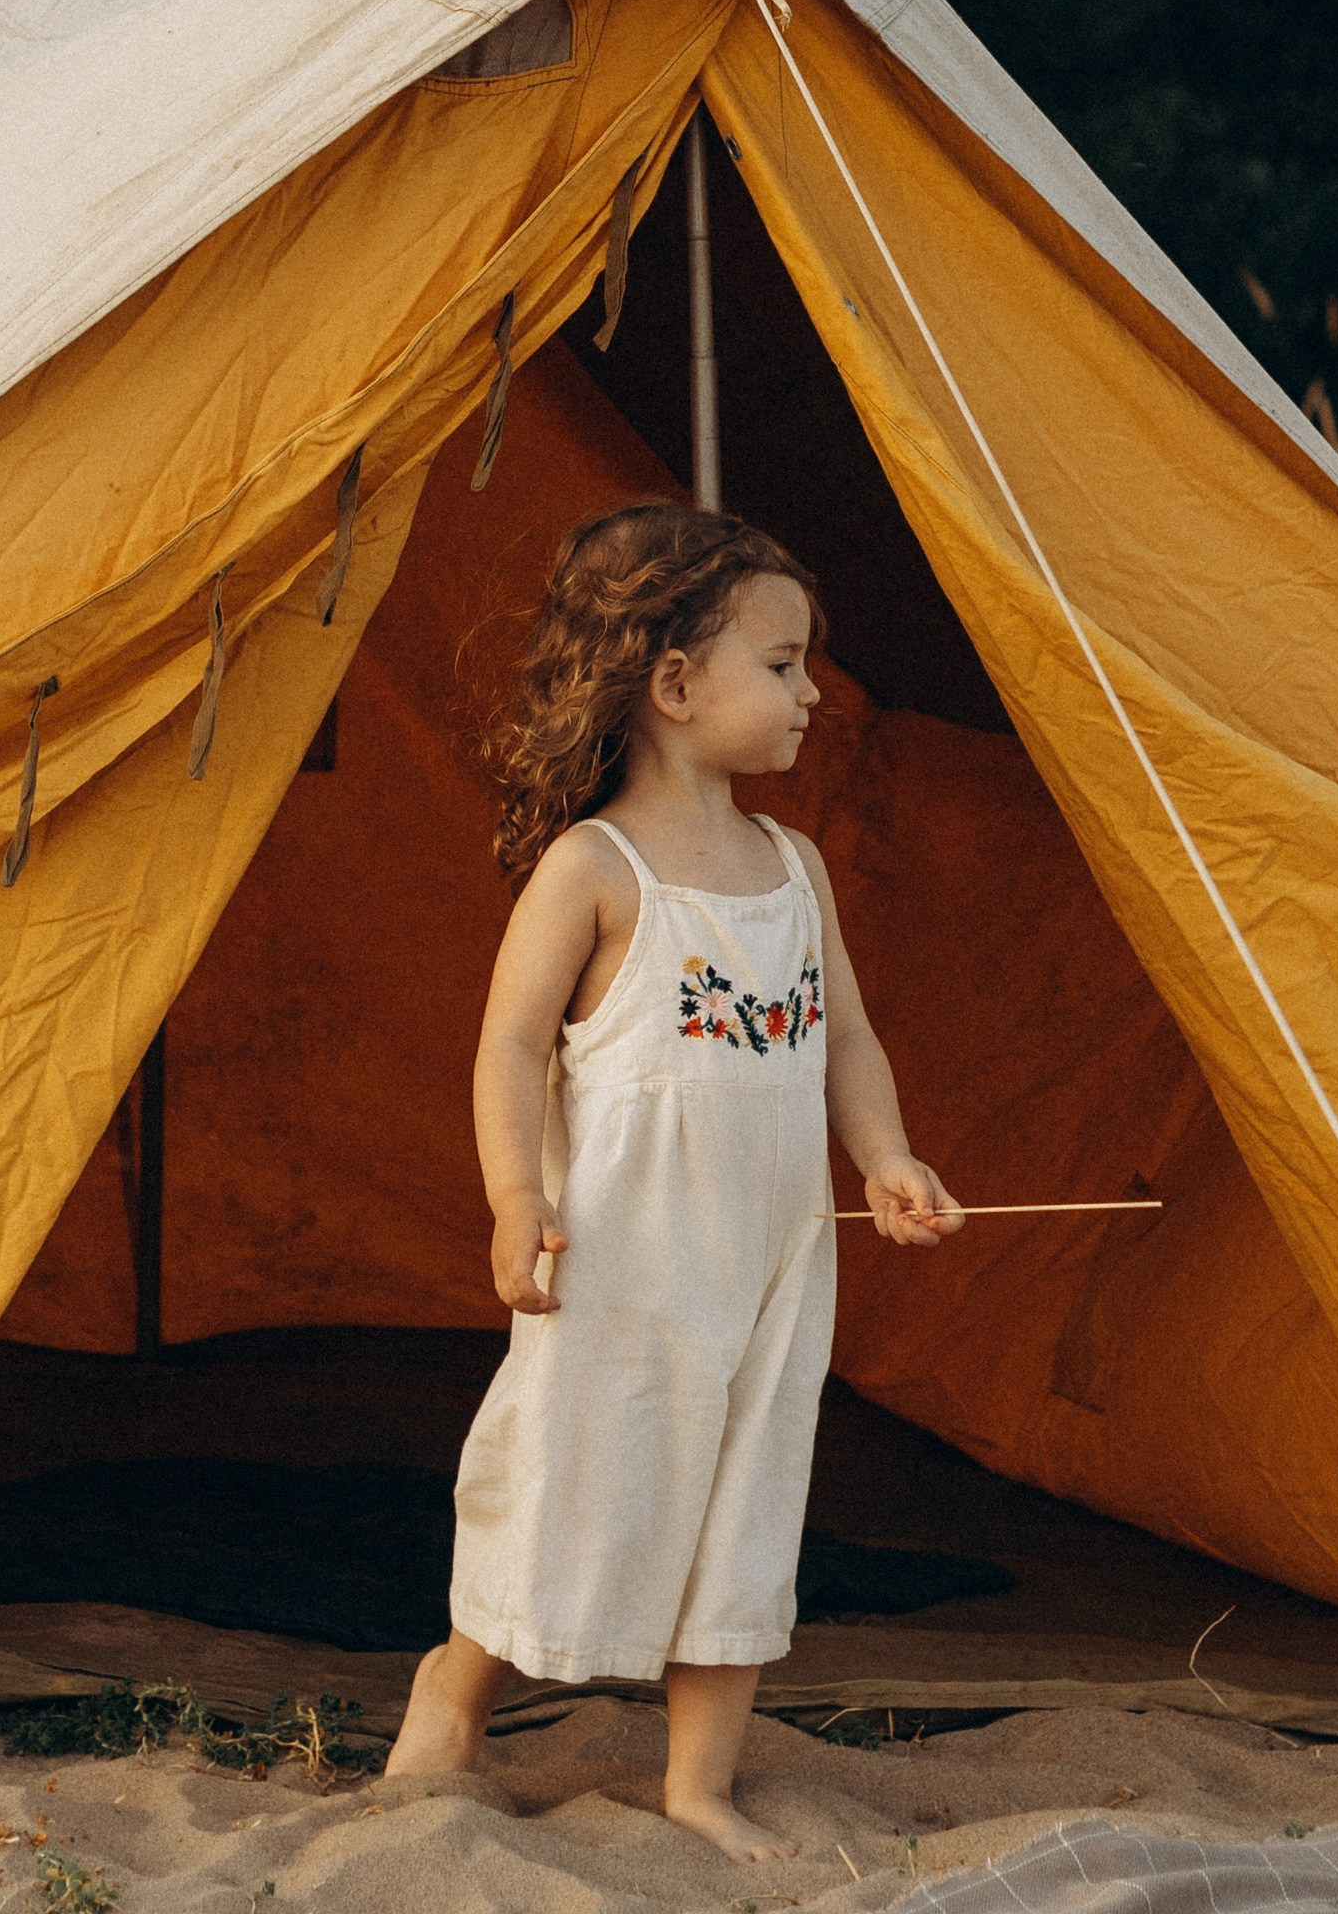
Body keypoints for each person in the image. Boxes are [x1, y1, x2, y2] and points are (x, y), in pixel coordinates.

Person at [386, 499, 964, 1861]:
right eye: (783, 665)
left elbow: (849, 1040)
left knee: (745, 1504)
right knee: (572, 1485)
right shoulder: (597, 867)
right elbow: (511, 1044)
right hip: (624, 1268)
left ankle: (697, 1780)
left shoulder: (794, 869)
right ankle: (455, 1686)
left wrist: (884, 1159)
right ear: (676, 683)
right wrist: (517, 1200)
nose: (813, 692)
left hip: (769, 1263)